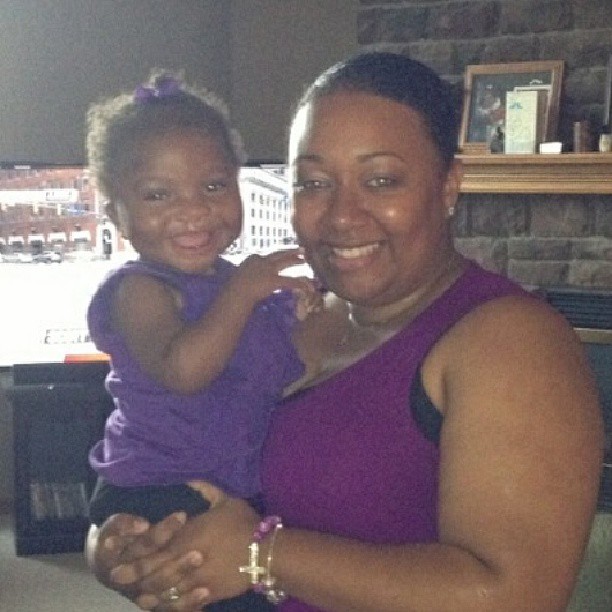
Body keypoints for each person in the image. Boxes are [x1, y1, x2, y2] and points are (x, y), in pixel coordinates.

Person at [86, 52, 604, 612]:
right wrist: (123, 548)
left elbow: (515, 597)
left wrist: (263, 555)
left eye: (381, 180)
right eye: (313, 183)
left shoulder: (510, 341)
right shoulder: (284, 314)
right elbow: (167, 442)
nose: (341, 215)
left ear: (448, 186)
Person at [84, 70, 343, 612]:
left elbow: (278, 375)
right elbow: (184, 370)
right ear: (116, 215)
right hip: (159, 485)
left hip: (232, 484)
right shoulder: (140, 290)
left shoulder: (235, 288)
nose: (193, 209)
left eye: (214, 186)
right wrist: (246, 290)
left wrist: (296, 315)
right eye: (158, 194)